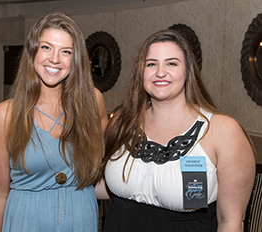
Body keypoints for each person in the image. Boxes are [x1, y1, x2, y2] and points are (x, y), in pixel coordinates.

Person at [97, 30, 256, 232]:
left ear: (188, 71)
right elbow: (107, 186)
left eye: (171, 63)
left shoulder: (222, 131)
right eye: (151, 64)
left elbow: (230, 221)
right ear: (140, 72)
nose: (160, 72)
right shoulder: (122, 122)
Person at [0, 11, 108, 232]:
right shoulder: (5, 115)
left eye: (66, 52)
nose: (54, 59)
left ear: (76, 59)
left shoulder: (93, 102)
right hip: (26, 220)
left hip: (81, 218)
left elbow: (103, 169)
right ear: (33, 51)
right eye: (46, 47)